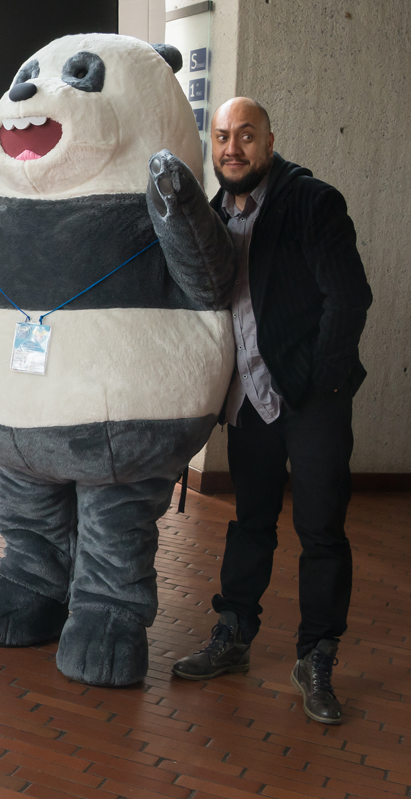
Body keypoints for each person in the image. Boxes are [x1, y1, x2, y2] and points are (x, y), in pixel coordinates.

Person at [171, 98, 372, 725]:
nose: (232, 148)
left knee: (321, 531)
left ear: (269, 141)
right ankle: (233, 634)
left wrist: (323, 386)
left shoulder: (313, 202)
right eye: (222, 137)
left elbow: (349, 299)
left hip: (311, 402)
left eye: (246, 136)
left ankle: (316, 657)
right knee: (250, 524)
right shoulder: (210, 217)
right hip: (248, 404)